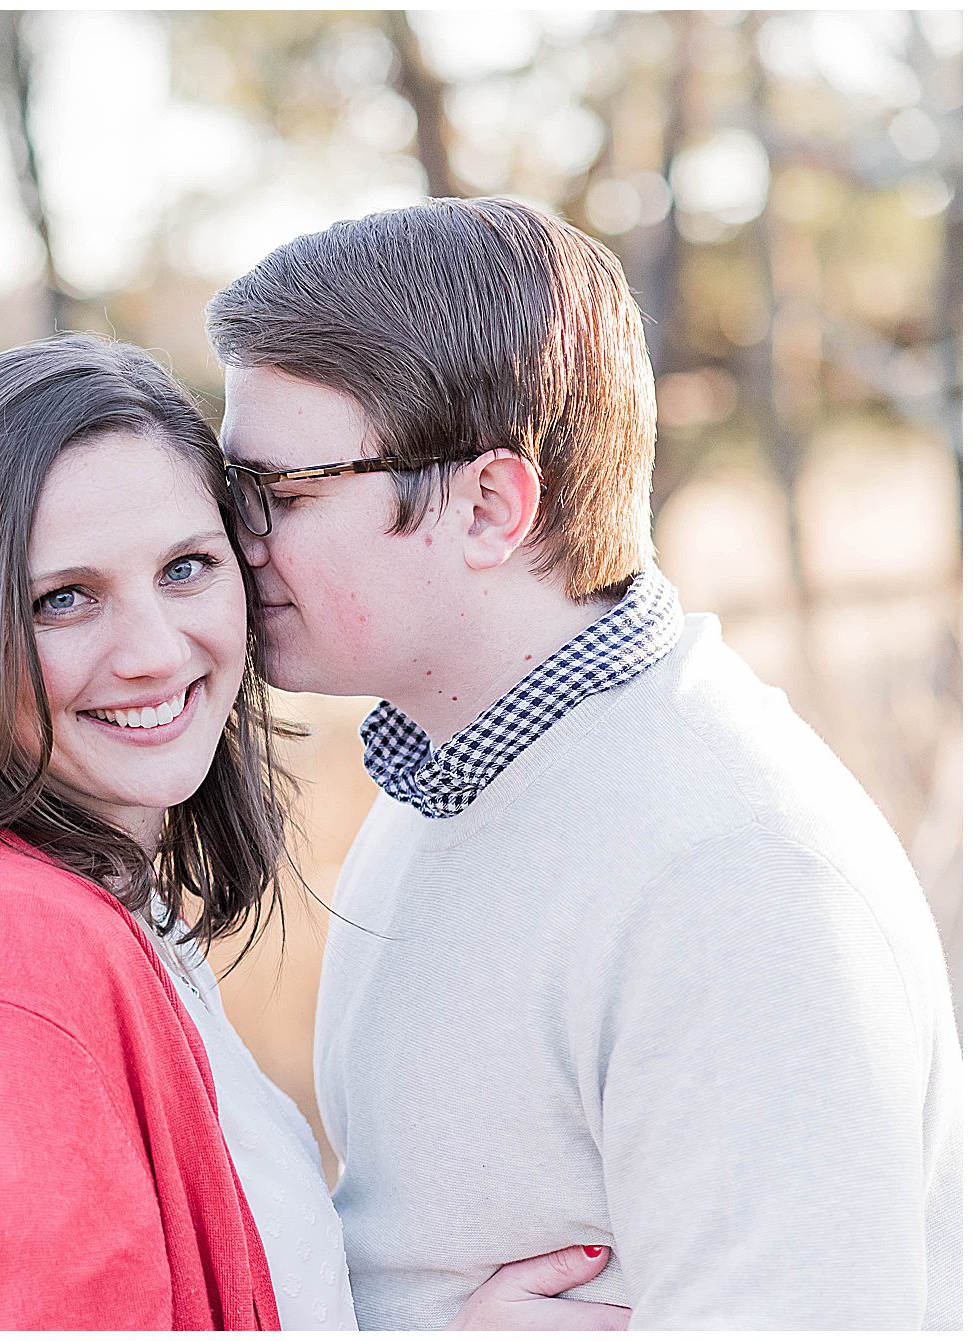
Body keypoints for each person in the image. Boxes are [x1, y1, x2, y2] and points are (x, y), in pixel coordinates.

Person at [206, 197, 963, 1329]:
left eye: (281, 496)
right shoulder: (442, 788)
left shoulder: (730, 879)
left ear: (486, 505)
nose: (233, 542)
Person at [0, 333, 627, 1329]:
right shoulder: (0, 956)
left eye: (186, 567)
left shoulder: (82, 909)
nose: (154, 652)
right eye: (63, 600)